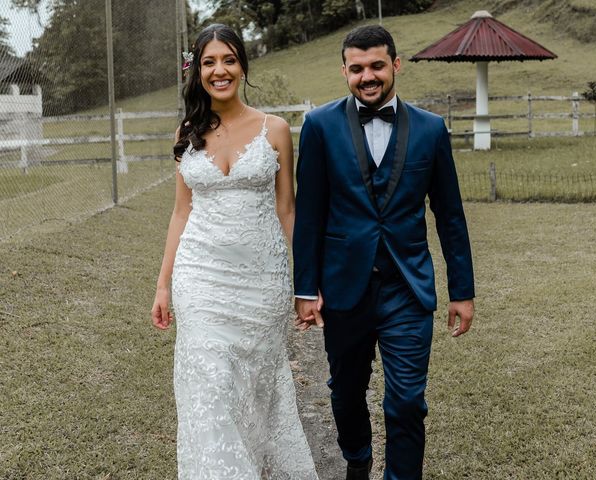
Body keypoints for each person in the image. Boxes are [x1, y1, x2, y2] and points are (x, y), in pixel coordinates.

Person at [293, 25, 475, 480]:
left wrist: (462, 291)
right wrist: (305, 287)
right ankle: (357, 459)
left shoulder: (431, 130)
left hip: (406, 288)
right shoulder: (319, 126)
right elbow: (310, 214)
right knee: (345, 393)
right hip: (343, 287)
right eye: (357, 69)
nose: (367, 76)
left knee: (408, 400)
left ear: (395, 64)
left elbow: (450, 215)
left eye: (376, 65)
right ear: (345, 72)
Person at [151, 24, 318, 480]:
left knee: (255, 392)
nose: (219, 70)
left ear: (242, 65)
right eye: (209, 62)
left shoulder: (276, 129)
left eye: (228, 60)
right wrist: (163, 284)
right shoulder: (187, 131)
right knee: (211, 387)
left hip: (262, 283)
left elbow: (288, 212)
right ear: (197, 71)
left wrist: (308, 284)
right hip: (199, 278)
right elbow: (180, 213)